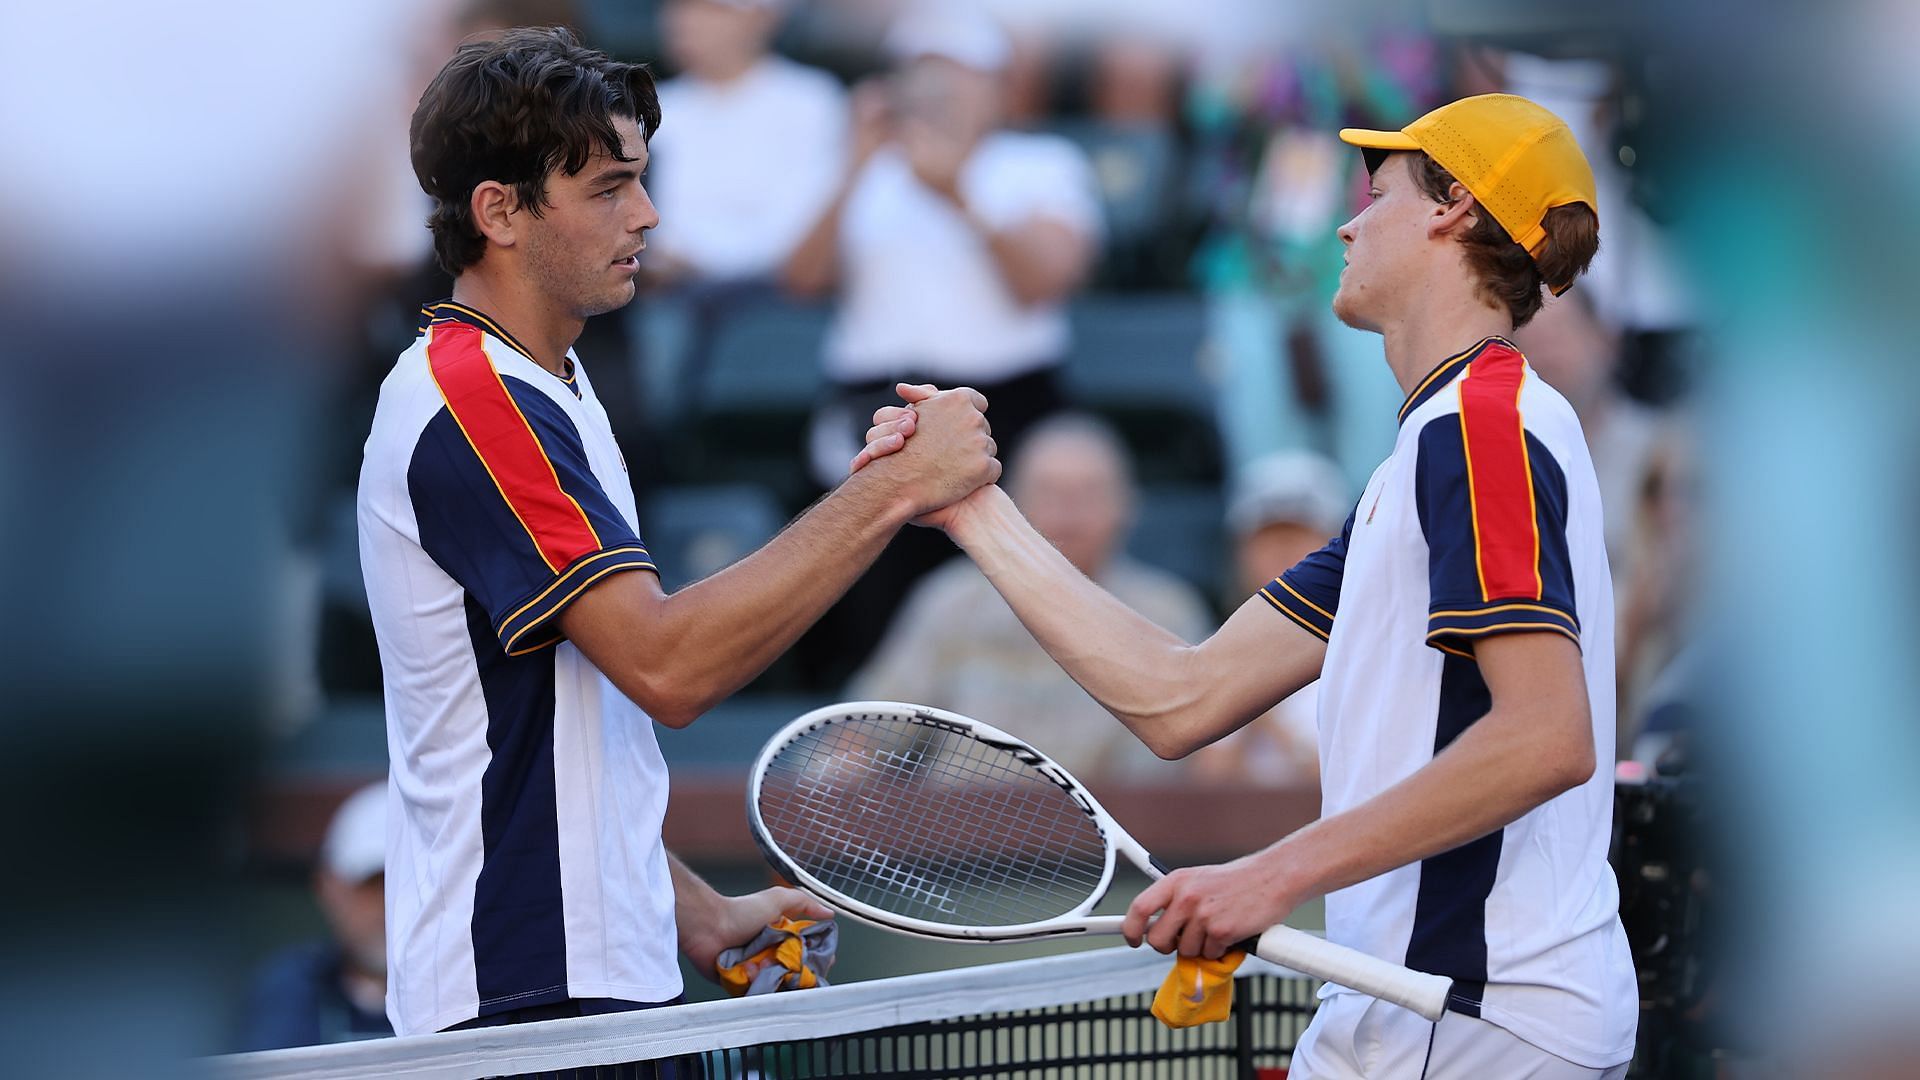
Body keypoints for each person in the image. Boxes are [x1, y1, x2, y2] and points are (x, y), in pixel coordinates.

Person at [856, 94, 1635, 1077]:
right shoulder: (1433, 452)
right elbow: (1183, 697)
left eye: (1378, 193)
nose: (1347, 223)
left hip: (1472, 1007)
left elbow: (1544, 739)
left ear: (1454, 210)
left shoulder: (1479, 427)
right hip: (1431, 1001)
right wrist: (972, 509)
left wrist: (1270, 876)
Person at [360, 27, 998, 1037]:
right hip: (525, 1005)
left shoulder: (546, 384)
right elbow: (667, 667)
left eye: (642, 182)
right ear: (500, 212)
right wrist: (893, 492)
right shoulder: (478, 403)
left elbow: (563, 736)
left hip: (586, 986)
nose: (648, 215)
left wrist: (693, 907)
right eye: (609, 188)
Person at [783, 0, 1102, 686]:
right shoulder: (864, 169)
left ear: (995, 88)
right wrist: (857, 163)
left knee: (1012, 583)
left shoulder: (1038, 162)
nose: (935, 90)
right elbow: (801, 278)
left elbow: (1048, 277)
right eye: (921, 73)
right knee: (865, 592)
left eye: (955, 74)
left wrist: (958, 190)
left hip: (1007, 399)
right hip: (878, 402)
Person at [848, 414, 1209, 780]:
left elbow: (1203, 765)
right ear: (1011, 501)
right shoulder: (952, 602)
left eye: (1090, 492)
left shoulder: (1169, 612)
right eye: (1049, 491)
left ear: (1128, 507)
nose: (1070, 510)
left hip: (1118, 832)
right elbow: (866, 734)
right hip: (959, 830)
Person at [644, 0, 847, 285]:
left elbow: (801, 222)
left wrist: (697, 259)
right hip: (669, 294)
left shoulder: (812, 101)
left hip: (772, 296)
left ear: (762, 19)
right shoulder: (652, 105)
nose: (685, 20)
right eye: (679, 7)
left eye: (711, 8)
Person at [1184, 451, 1349, 788]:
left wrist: (1260, 711)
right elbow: (1204, 787)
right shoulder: (1211, 648)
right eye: (1266, 538)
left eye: (1299, 535)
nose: (1282, 553)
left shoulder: (1366, 653)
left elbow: (1350, 786)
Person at [237, 782, 394, 1050]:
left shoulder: (464, 996)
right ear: (328, 887)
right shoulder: (287, 993)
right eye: (371, 884)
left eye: (403, 883)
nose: (387, 903)